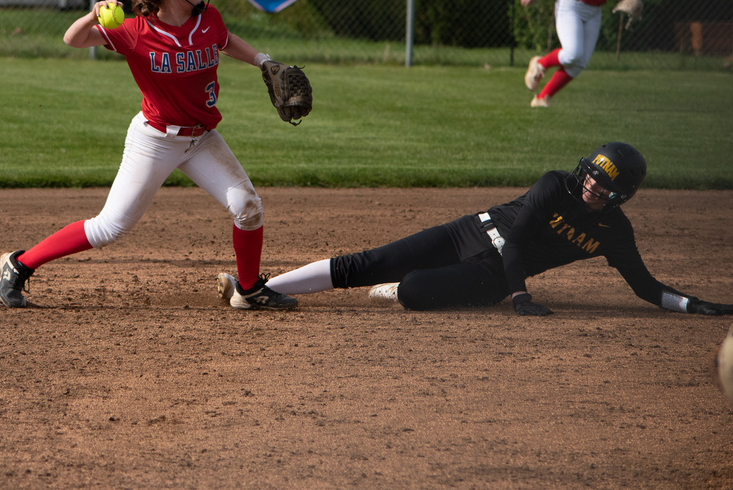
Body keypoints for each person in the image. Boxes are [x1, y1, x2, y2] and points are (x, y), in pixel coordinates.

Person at [0, 0, 298, 310]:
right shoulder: (136, 31)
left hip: (202, 138)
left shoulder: (208, 19)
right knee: (110, 228)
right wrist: (92, 15)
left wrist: (262, 60)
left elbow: (226, 40)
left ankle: (248, 289)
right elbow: (72, 39)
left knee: (247, 206)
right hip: (156, 139)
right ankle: (19, 264)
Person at [217, 142, 733, 317]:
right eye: (592, 175)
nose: (593, 185)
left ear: (622, 195)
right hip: (472, 234)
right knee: (368, 261)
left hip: (491, 276)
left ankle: (397, 288)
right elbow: (516, 238)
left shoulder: (614, 232)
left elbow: (645, 286)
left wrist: (694, 305)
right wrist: (522, 295)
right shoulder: (554, 185)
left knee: (413, 291)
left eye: (605, 184)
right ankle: (257, 289)